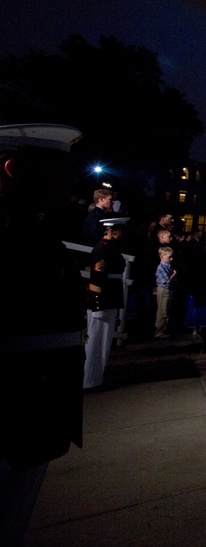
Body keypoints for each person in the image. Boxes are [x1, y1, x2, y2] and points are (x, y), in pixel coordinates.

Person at [1, 123, 86, 546]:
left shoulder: (33, 227)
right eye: (54, 169)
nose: (69, 181)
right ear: (14, 169)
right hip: (14, 404)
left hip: (36, 407)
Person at [83, 217, 130, 389]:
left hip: (110, 298)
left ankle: (96, 378)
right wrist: (97, 306)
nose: (122, 234)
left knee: (104, 342)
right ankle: (88, 379)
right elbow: (96, 280)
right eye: (120, 231)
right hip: (103, 301)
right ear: (112, 231)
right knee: (95, 342)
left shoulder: (111, 248)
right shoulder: (102, 250)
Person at [153, 246, 177, 340]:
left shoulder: (168, 267)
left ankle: (162, 330)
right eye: (169, 257)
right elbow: (166, 281)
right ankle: (159, 330)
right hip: (164, 290)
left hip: (168, 290)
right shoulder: (161, 268)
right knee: (163, 311)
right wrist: (174, 275)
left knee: (166, 310)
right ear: (162, 257)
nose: (171, 259)